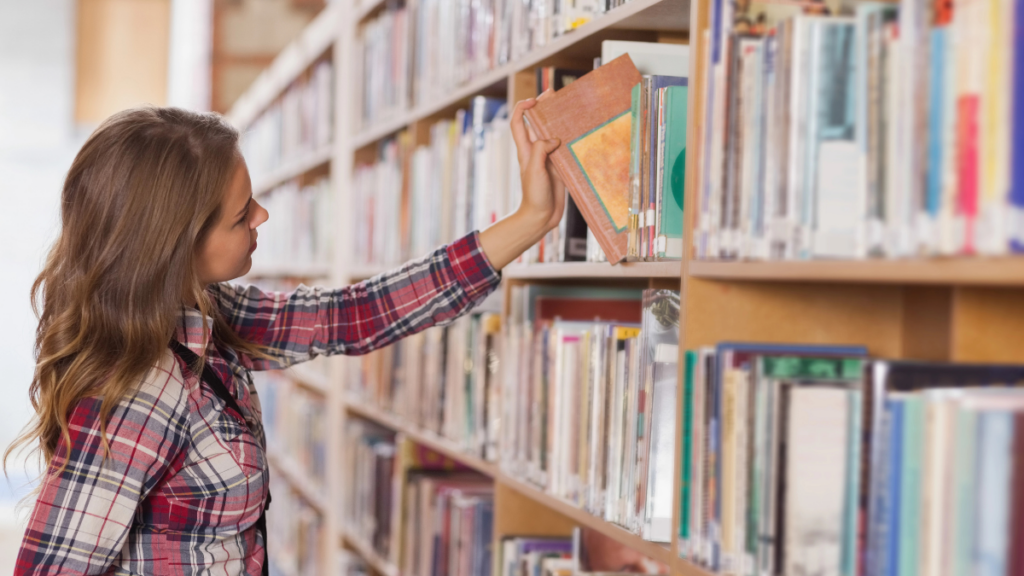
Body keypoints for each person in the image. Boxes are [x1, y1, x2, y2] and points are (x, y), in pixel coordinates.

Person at [6, 98, 563, 575]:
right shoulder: (139, 389)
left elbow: (356, 314)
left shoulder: (203, 314)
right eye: (240, 214)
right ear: (175, 242)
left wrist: (533, 218)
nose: (263, 215)